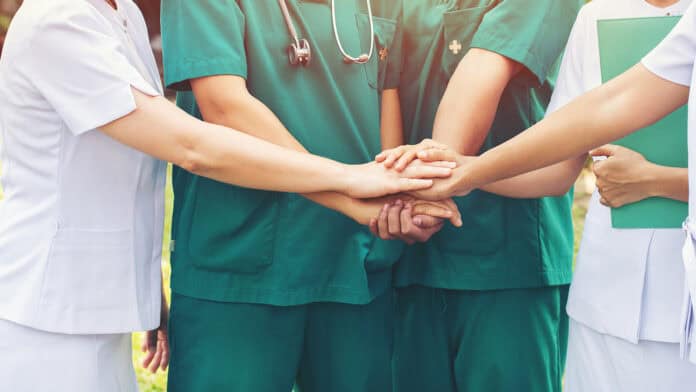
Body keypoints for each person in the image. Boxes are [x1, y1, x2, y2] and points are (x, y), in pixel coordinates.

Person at [0, 1, 451, 391]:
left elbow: (126, 176)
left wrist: (142, 287)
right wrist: (349, 187)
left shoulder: (122, 16)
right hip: (48, 305)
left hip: (101, 303)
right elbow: (191, 145)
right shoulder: (55, 21)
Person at [380, 0, 696, 390]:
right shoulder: (595, 17)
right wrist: (455, 174)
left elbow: (487, 67)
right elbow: (587, 127)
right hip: (604, 295)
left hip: (660, 288)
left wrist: (658, 179)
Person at [160, 1, 460, 391]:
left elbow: (388, 101)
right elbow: (223, 107)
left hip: (355, 268)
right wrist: (350, 197)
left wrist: (397, 204)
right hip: (240, 270)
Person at [369, 1, 581, 391]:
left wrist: (427, 188)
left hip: (506, 265)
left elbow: (486, 66)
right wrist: (393, 198)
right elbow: (384, 89)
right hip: (408, 260)